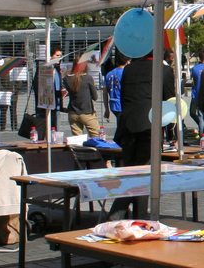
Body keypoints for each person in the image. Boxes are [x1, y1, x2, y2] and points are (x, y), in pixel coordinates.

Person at [107, 50, 170, 219]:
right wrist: (173, 135)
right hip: (149, 128)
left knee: (130, 173)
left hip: (127, 126)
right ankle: (136, 217)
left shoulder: (129, 68)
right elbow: (170, 103)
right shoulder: (164, 70)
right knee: (142, 175)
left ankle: (119, 215)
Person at [62, 69, 100, 136]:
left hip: (72, 112)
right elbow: (95, 97)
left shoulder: (67, 79)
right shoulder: (88, 78)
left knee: (78, 139)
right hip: (87, 112)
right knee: (95, 136)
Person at [188, 52, 204, 136]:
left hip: (196, 94)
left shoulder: (195, 68)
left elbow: (193, 81)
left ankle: (202, 135)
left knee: (199, 116)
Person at [104, 54, 126, 124]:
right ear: (127, 62)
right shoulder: (125, 73)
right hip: (123, 104)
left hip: (113, 104)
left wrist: (107, 109)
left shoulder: (109, 74)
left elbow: (104, 92)